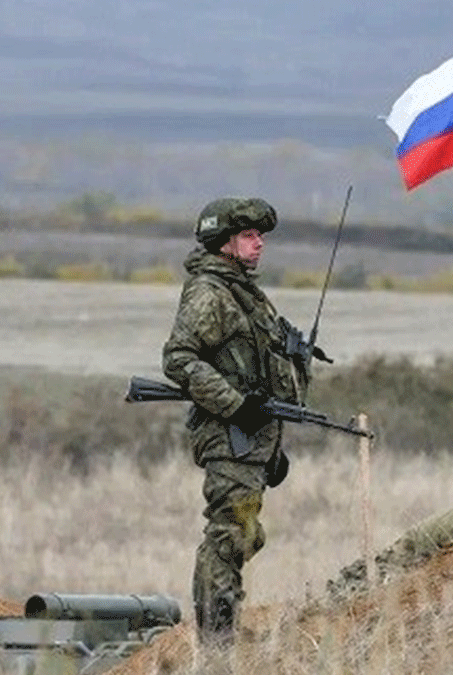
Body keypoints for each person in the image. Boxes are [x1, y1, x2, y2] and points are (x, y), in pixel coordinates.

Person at [161, 196, 308, 646]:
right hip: (230, 434)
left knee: (243, 534)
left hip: (249, 439)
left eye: (260, 235)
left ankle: (220, 633)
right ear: (223, 241)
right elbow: (179, 359)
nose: (259, 243)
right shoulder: (211, 292)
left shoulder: (243, 292)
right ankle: (217, 643)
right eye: (248, 235)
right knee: (230, 536)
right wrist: (235, 405)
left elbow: (255, 368)